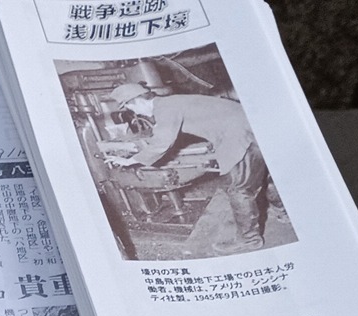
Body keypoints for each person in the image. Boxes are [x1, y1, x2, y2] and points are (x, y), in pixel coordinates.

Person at [101, 79, 270, 250]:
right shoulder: (171, 102)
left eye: (131, 108)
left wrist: (130, 160)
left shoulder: (165, 108)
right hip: (252, 124)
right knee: (263, 175)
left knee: (240, 190)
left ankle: (249, 240)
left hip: (241, 135)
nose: (135, 113)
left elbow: (162, 143)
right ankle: (281, 212)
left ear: (137, 101)